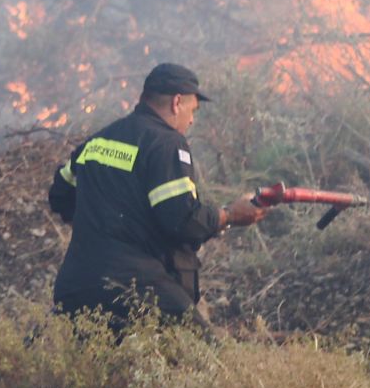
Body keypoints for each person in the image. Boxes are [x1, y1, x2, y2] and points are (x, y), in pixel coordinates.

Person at [47, 63, 268, 331]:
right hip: (136, 287)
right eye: (192, 110)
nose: (191, 120)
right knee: (206, 362)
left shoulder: (97, 142)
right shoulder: (165, 143)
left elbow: (60, 195)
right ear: (177, 102)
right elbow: (182, 220)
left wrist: (103, 229)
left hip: (76, 288)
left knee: (96, 370)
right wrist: (230, 215)